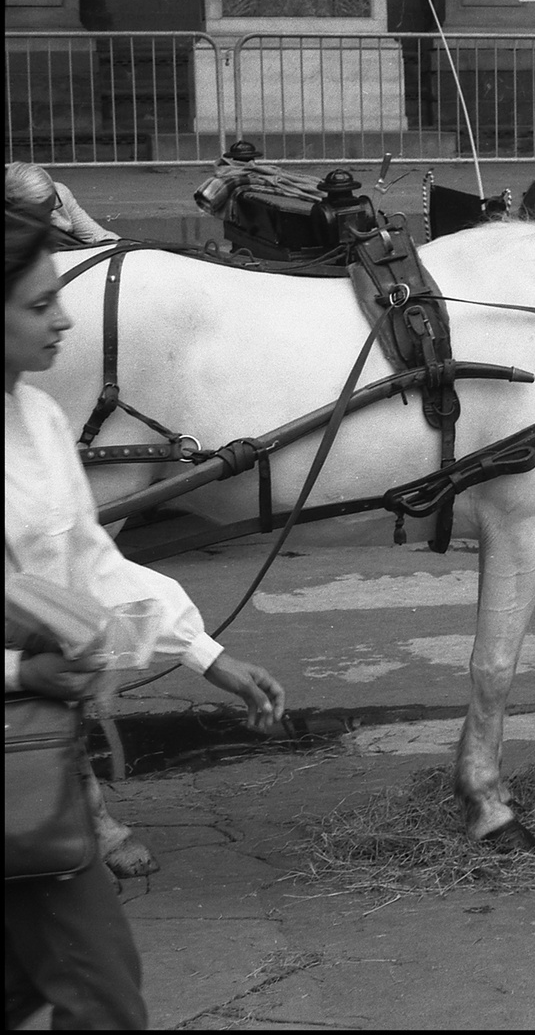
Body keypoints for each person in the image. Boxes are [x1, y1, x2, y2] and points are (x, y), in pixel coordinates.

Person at [4, 201, 285, 1029]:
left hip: (35, 765)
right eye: (37, 305)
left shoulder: (40, 417)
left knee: (61, 983)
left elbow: (90, 562)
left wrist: (206, 655)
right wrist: (22, 671)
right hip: (21, 749)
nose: (63, 322)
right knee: (101, 995)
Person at [4, 161, 120, 245]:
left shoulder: (60, 193)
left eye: (52, 206)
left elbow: (95, 234)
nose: (51, 216)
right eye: (40, 215)